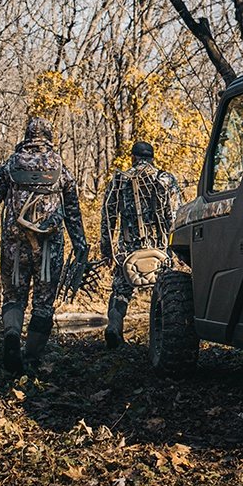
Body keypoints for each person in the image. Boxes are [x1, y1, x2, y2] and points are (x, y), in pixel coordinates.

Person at [0, 117, 89, 373]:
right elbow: (73, 211)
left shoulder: (10, 165)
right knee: (44, 303)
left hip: (14, 246)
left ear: (27, 135)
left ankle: (12, 336)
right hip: (50, 248)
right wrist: (81, 245)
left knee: (13, 297)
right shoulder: (60, 167)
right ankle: (32, 357)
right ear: (48, 136)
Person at [100, 141, 181, 349]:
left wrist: (107, 251)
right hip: (159, 250)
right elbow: (176, 215)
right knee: (163, 291)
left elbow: (108, 217)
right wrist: (176, 249)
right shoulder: (166, 179)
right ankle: (163, 340)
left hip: (128, 251)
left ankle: (114, 327)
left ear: (133, 158)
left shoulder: (120, 179)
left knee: (120, 291)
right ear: (152, 158)